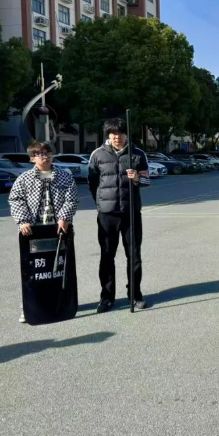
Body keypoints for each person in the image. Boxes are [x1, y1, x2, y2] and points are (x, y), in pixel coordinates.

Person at [8, 141, 79, 323]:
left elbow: (72, 199)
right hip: (33, 231)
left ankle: (61, 304)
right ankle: (29, 307)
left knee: (58, 268)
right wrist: (22, 220)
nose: (45, 157)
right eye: (40, 154)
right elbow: (15, 199)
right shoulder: (24, 178)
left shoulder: (64, 176)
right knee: (33, 270)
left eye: (48, 153)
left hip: (58, 229)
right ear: (32, 158)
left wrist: (64, 217)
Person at [88, 118, 150, 313]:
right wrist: (101, 203)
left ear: (126, 134)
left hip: (131, 213)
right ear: (108, 135)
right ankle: (107, 297)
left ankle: (135, 294)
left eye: (121, 133)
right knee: (107, 256)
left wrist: (137, 178)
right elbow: (92, 182)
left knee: (134, 256)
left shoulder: (137, 154)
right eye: (114, 134)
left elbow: (147, 181)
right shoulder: (97, 154)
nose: (118, 137)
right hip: (107, 215)